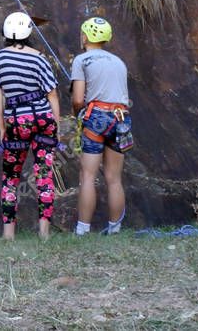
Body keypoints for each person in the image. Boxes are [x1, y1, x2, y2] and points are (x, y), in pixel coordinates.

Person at [0, 11, 61, 240]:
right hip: (42, 118)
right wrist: (55, 127)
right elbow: (53, 95)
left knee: (11, 177)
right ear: (29, 31)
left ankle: (8, 234)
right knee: (44, 175)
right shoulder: (39, 58)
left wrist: (2, 128)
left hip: (16, 121)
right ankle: (44, 232)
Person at [71, 16, 132, 236]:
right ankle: (115, 228)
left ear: (85, 36)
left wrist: (77, 114)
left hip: (96, 116)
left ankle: (82, 230)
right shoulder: (118, 62)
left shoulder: (82, 60)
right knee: (114, 178)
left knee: (88, 175)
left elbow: (78, 99)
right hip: (121, 118)